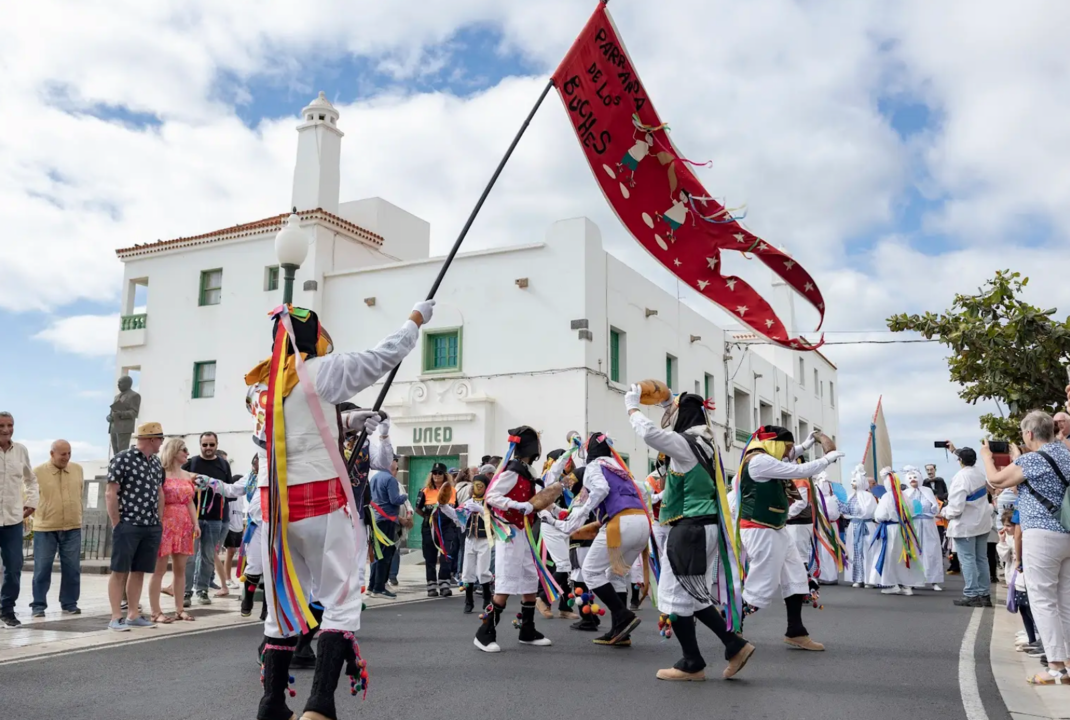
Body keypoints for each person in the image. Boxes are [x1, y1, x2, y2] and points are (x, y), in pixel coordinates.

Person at [249, 299, 431, 720]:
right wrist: (414, 320)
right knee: (342, 597)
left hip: (275, 511)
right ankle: (319, 705)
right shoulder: (320, 370)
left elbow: (296, 423)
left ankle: (272, 704)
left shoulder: (260, 387)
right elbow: (383, 356)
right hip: (320, 505)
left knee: (280, 608)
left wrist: (350, 422)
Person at [627, 390, 756, 681]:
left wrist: (632, 408)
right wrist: (666, 403)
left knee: (673, 596)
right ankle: (733, 645)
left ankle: (692, 662)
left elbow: (650, 434)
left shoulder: (686, 443)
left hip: (690, 528)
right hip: (705, 527)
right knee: (694, 595)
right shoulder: (706, 440)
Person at [733, 425, 843, 652]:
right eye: (787, 447)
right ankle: (732, 630)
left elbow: (793, 456)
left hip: (775, 528)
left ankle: (796, 631)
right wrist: (828, 458)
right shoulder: (759, 461)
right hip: (758, 529)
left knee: (796, 576)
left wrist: (810, 441)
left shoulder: (767, 456)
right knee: (761, 583)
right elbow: (798, 470)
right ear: (774, 444)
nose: (788, 453)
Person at [983, 410, 1070, 685]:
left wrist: (987, 457)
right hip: (1066, 531)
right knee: (1066, 601)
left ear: (1029, 434)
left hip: (1041, 534)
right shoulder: (1066, 454)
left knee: (1043, 599)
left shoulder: (1033, 460)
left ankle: (1056, 666)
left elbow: (996, 481)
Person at [541, 432, 649, 648]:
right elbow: (645, 491)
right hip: (642, 524)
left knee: (590, 572)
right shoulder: (620, 469)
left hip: (619, 524)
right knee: (615, 574)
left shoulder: (593, 467)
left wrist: (588, 511)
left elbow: (601, 489)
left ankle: (623, 616)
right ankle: (621, 631)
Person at [474, 426, 553, 653]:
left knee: (529, 578)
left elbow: (536, 501)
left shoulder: (528, 472)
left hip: (525, 532)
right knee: (506, 582)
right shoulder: (512, 472)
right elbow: (491, 496)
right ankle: (484, 632)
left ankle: (527, 629)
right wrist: (518, 505)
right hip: (509, 532)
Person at [105, 422, 166, 631]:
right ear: (151, 439)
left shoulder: (156, 463)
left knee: (139, 570)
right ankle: (115, 617)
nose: (161, 443)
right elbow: (111, 492)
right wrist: (116, 522)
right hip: (128, 523)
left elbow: (159, 492)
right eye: (160, 439)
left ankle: (133, 614)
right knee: (119, 570)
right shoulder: (122, 458)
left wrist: (159, 519)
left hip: (150, 525)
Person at [31, 440, 83, 617]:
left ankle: (69, 603)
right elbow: (29, 499)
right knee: (42, 568)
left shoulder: (77, 469)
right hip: (45, 529)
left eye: (69, 453)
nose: (66, 457)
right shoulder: (37, 472)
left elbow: (80, 492)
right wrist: (42, 516)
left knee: (72, 568)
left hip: (73, 527)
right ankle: (38, 606)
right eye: (63, 454)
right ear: (52, 453)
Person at [182, 432, 235, 607]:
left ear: (216, 445)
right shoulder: (192, 463)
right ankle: (186, 591)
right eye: (205, 445)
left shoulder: (223, 465)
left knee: (208, 556)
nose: (208, 448)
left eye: (211, 445)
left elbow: (229, 489)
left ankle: (202, 590)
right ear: (200, 445)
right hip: (193, 517)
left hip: (215, 518)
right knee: (190, 556)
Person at [149, 438, 199, 623]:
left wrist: (196, 523)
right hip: (165, 522)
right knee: (159, 569)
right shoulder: (161, 473)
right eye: (183, 450)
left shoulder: (187, 475)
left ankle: (180, 609)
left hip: (184, 523)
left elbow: (190, 502)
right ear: (174, 451)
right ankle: (156, 611)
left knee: (180, 569)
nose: (187, 453)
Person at [940, 445, 993, 608]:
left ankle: (971, 594)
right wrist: (955, 450)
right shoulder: (979, 473)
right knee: (981, 559)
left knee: (968, 560)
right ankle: (984, 594)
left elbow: (956, 507)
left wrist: (944, 512)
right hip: (982, 523)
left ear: (960, 461)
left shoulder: (961, 477)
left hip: (966, 525)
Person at [0, 411, 37, 628]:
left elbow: (31, 479)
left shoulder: (21, 451)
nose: (6, 429)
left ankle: (6, 610)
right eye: (2, 425)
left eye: (10, 425)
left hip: (13, 520)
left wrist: (32, 501)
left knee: (14, 567)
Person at [416, 463, 458, 598]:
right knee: (430, 556)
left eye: (440, 473)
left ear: (445, 475)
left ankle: (444, 583)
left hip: (447, 526)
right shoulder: (425, 491)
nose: (436, 475)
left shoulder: (452, 490)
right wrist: (428, 518)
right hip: (430, 526)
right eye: (434, 473)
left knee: (447, 554)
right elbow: (418, 508)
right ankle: (431, 585)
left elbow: (456, 509)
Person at [368, 455, 406, 599]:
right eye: (396, 462)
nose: (397, 465)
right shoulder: (390, 479)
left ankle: (372, 586)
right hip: (387, 520)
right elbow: (395, 499)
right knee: (385, 555)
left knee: (378, 554)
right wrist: (405, 497)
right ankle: (379, 587)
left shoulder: (375, 477)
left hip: (376, 519)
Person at [903, 466, 944, 591]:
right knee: (914, 551)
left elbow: (935, 507)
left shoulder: (927, 491)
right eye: (910, 478)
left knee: (931, 551)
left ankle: (933, 580)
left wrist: (931, 511)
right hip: (913, 525)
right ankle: (913, 579)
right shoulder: (905, 493)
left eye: (915, 477)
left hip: (928, 524)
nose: (912, 479)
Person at [840, 465, 878, 588]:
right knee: (854, 551)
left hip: (866, 527)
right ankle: (858, 578)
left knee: (867, 552)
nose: (852, 483)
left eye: (854, 481)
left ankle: (869, 579)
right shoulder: (851, 496)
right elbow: (846, 511)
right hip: (854, 526)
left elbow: (868, 511)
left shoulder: (868, 496)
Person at [460, 474, 493, 614]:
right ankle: (468, 600)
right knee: (467, 571)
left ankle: (487, 597)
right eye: (475, 485)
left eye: (480, 485)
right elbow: (458, 516)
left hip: (484, 539)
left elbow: (496, 519)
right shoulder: (468, 501)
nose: (477, 488)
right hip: (470, 538)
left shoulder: (490, 502)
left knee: (483, 570)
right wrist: (444, 508)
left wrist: (481, 510)